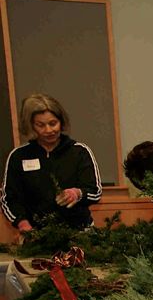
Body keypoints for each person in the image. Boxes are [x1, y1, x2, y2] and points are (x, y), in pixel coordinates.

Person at [2, 93, 102, 232]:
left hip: (79, 232)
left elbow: (95, 192)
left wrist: (77, 193)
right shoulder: (18, 156)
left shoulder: (79, 152)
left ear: (61, 122)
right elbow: (9, 199)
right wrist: (22, 223)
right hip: (36, 235)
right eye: (41, 125)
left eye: (53, 123)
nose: (49, 130)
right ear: (31, 126)